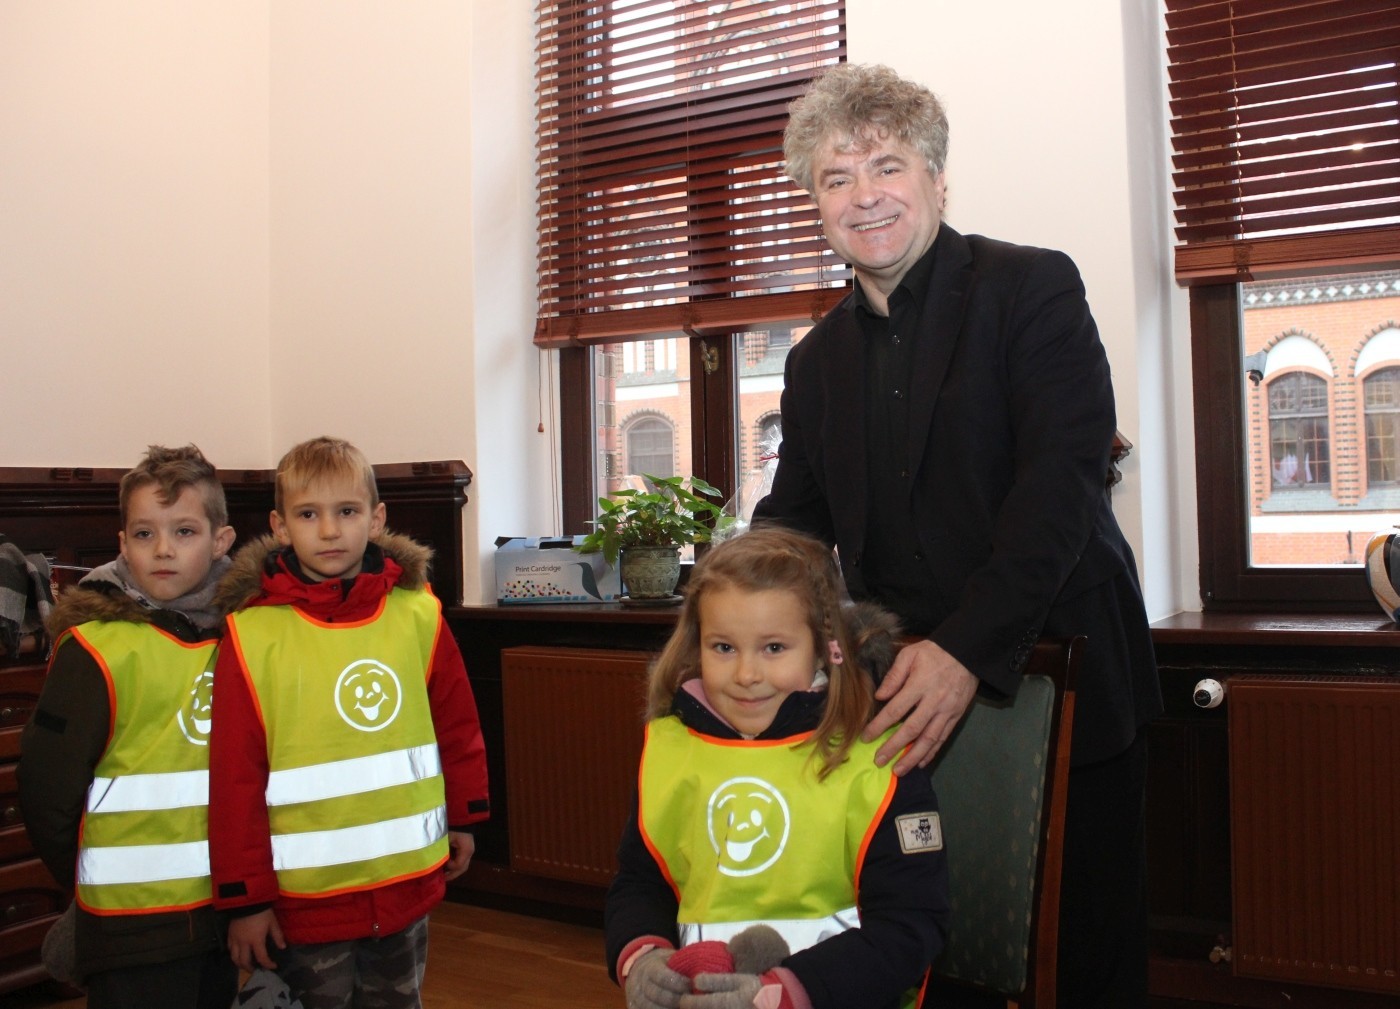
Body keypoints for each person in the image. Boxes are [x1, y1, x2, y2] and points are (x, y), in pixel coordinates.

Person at [752, 63, 1164, 1008]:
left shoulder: (1033, 287)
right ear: (816, 204)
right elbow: (794, 528)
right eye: (836, 177)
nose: (865, 195)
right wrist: (731, 623)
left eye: (887, 166)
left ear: (938, 179)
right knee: (931, 958)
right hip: (899, 707)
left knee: (1082, 965)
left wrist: (964, 650)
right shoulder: (814, 362)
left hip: (1066, 682)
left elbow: (1059, 490)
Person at [604, 526, 949, 1009]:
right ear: (696, 645)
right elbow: (641, 884)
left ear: (825, 648)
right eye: (724, 648)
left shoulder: (881, 763)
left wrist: (787, 992)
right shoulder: (671, 749)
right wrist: (641, 956)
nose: (746, 675)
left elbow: (910, 927)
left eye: (773, 648)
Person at [209, 436, 490, 1009]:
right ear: (280, 527)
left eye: (347, 511)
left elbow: (456, 724)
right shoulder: (253, 634)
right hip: (305, 903)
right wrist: (246, 900)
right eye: (308, 514)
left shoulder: (418, 613)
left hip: (405, 884)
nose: (330, 531)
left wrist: (464, 817)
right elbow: (234, 776)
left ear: (376, 518)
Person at [18, 444, 239, 1009]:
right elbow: (47, 792)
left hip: (224, 914)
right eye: (144, 534)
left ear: (220, 541)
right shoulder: (95, 649)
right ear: (123, 543)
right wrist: (90, 880)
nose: (163, 549)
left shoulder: (246, 636)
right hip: (131, 927)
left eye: (184, 531)